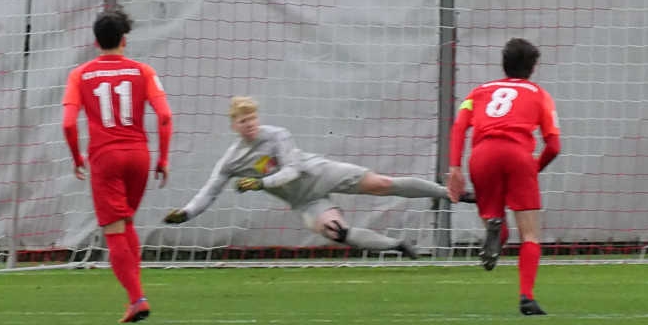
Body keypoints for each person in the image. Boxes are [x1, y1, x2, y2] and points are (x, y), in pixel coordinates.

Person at [165, 96, 452, 260]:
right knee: (337, 232)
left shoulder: (276, 135)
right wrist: (187, 213)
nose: (250, 124)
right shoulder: (233, 160)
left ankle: (449, 193)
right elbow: (210, 191)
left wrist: (262, 183)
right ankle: (399, 246)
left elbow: (293, 170)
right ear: (234, 126)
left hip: (320, 173)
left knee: (381, 184)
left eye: (252, 118)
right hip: (305, 200)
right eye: (243, 121)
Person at [63, 9, 173, 324]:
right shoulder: (144, 71)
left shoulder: (79, 75)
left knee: (114, 230)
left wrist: (77, 157)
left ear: (96, 42)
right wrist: (163, 158)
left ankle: (137, 299)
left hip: (105, 157)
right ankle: (134, 297)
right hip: (139, 155)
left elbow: (68, 124)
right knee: (126, 224)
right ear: (124, 40)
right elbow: (165, 116)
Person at [444, 38, 560, 316]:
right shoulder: (539, 94)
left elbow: (459, 127)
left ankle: (496, 231)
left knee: (494, 218)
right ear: (533, 67)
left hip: (482, 156)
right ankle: (527, 297)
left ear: (504, 64)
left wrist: (455, 168)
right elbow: (554, 146)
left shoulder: (479, 92)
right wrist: (533, 169)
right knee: (530, 233)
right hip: (518, 156)